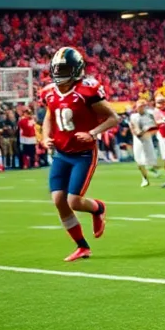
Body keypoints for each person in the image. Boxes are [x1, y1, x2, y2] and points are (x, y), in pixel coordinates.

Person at [40, 47, 118, 262]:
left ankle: (98, 208)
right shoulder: (49, 92)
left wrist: (92, 133)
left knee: (73, 201)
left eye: (64, 69)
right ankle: (82, 246)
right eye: (57, 69)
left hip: (83, 154)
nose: (59, 74)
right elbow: (49, 117)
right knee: (58, 200)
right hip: (61, 153)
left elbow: (113, 118)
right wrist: (45, 137)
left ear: (76, 70)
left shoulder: (87, 91)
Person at [128, 99, 161, 186]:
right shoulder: (133, 116)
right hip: (137, 140)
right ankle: (145, 179)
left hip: (147, 139)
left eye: (143, 106)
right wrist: (136, 133)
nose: (141, 108)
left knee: (151, 160)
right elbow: (132, 127)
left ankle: (154, 169)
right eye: (140, 106)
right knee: (139, 161)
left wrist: (147, 132)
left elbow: (155, 127)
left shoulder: (150, 115)